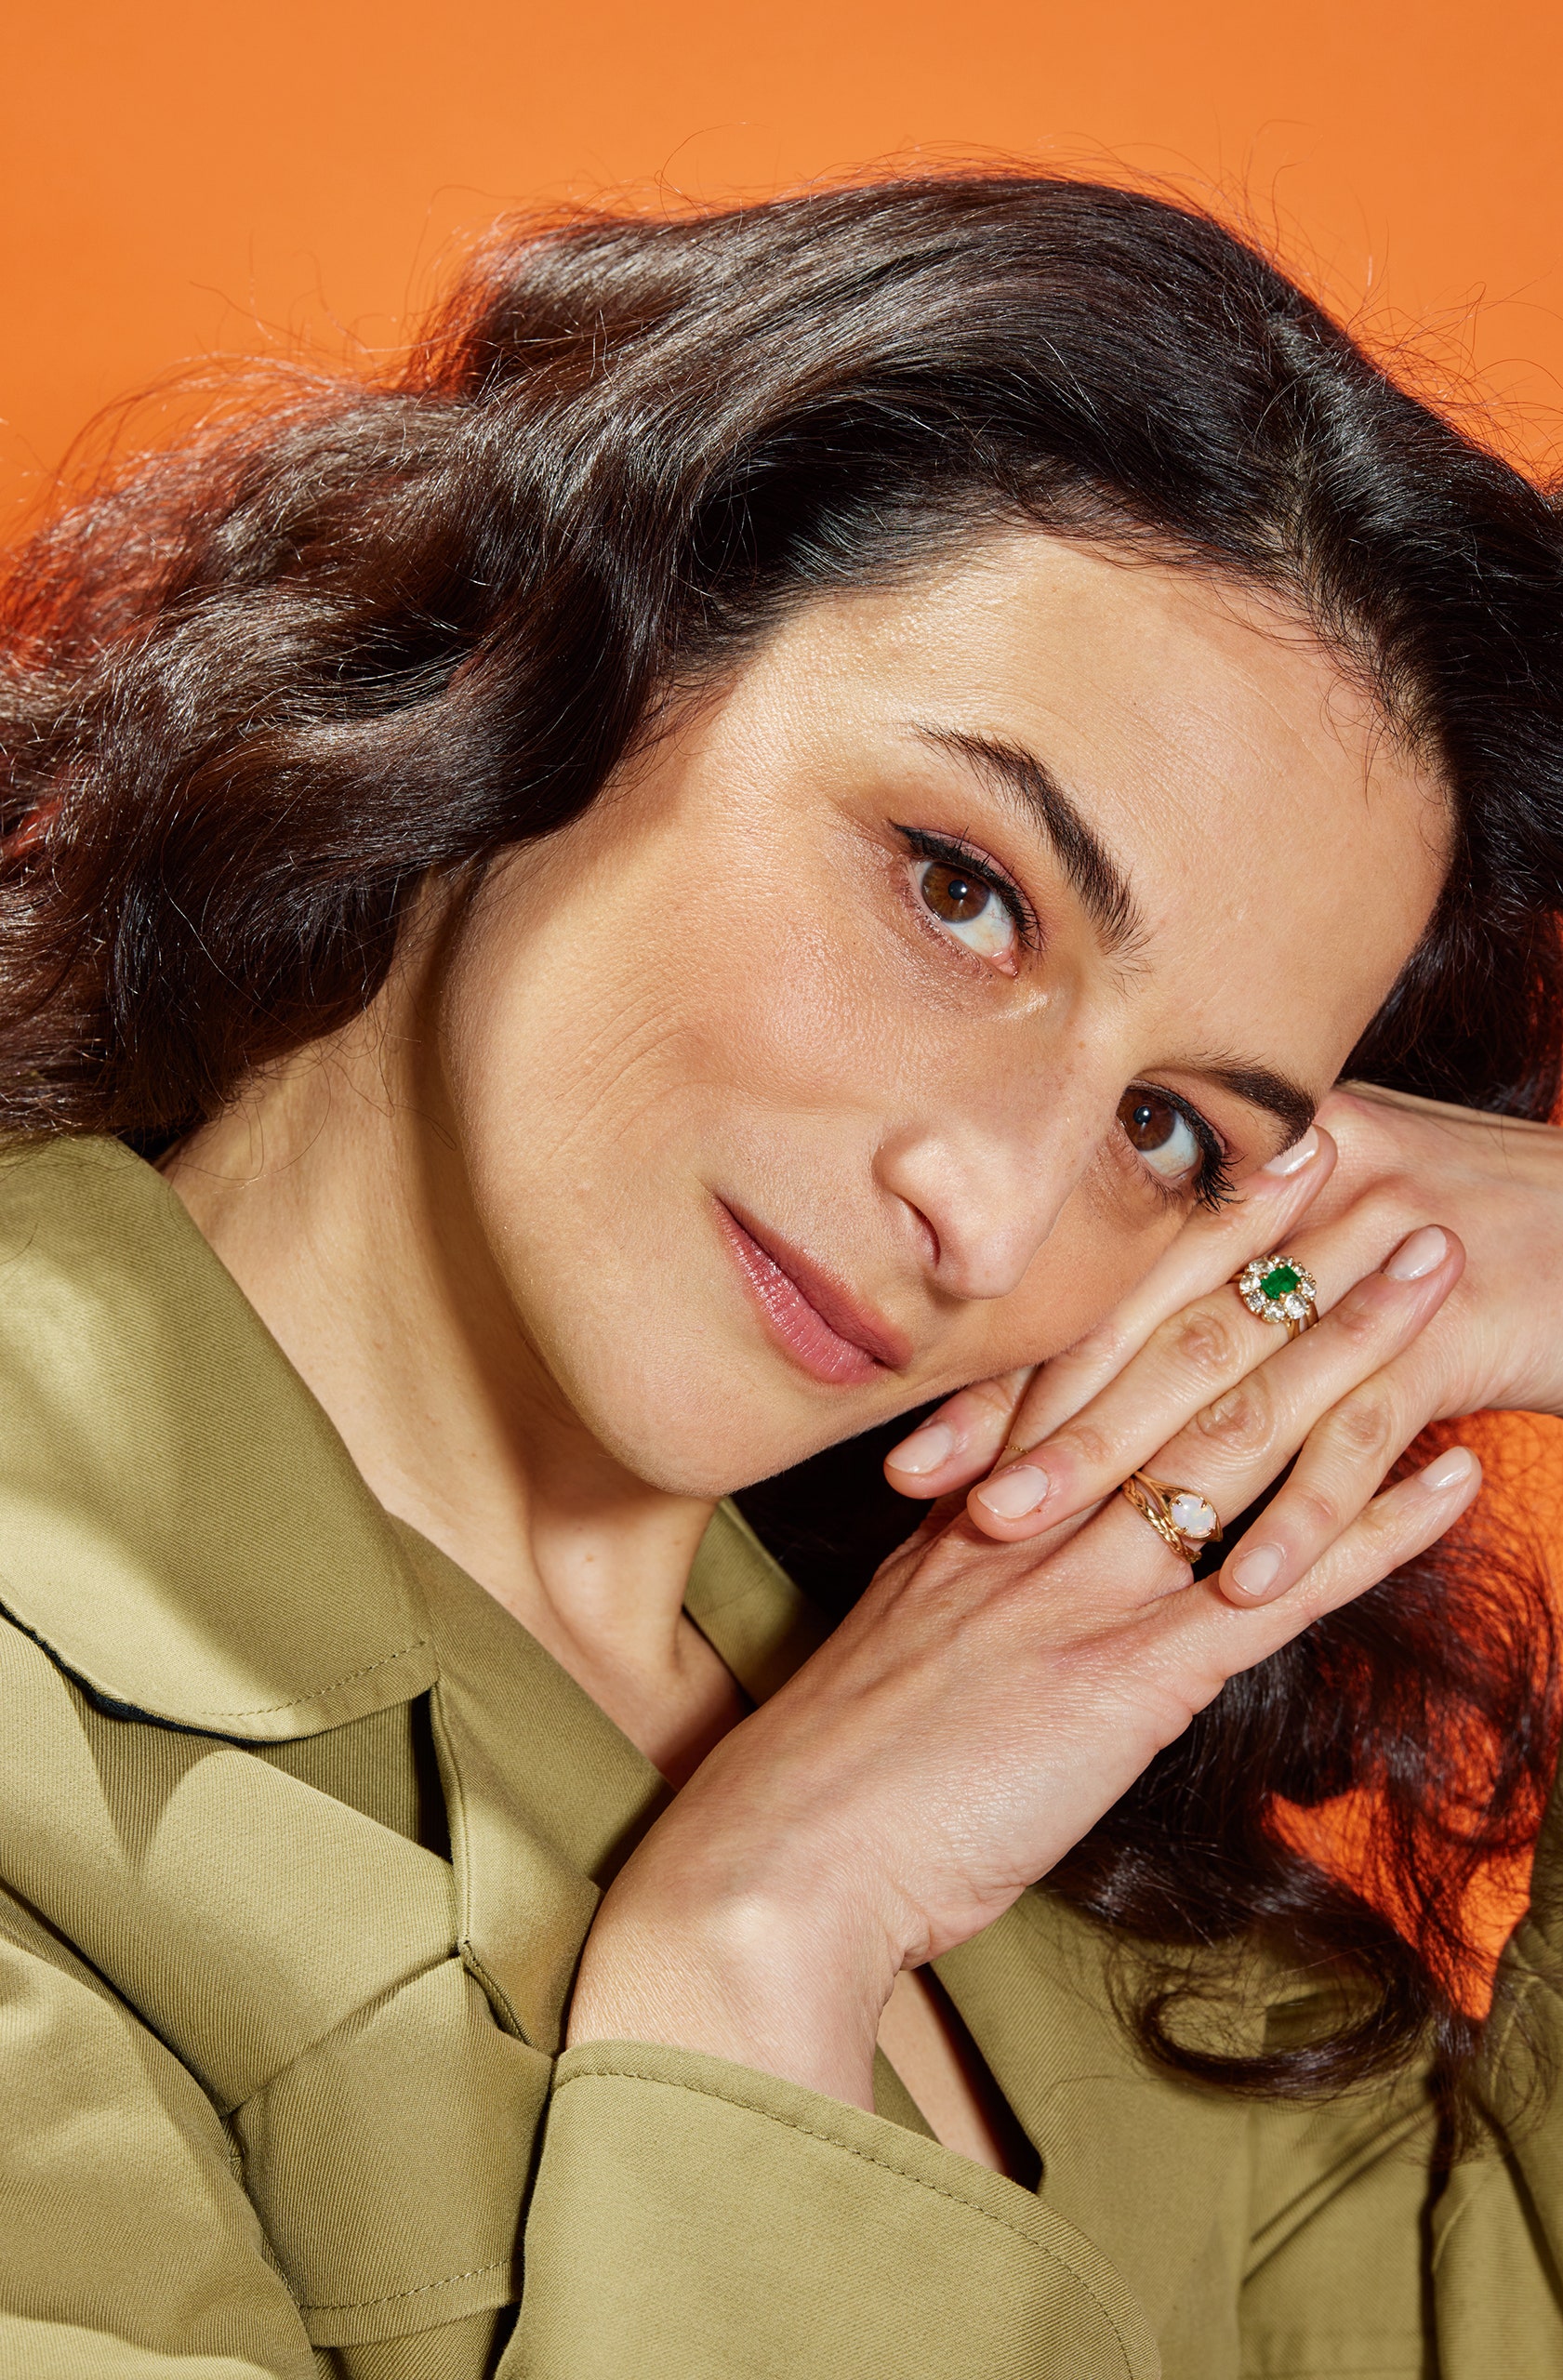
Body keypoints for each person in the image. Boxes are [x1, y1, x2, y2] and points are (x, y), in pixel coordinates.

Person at [3, 173, 1563, 2379]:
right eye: (959, 886)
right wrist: (761, 1949)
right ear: (568, 647)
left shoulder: (1047, 1767)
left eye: (1170, 1131)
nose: (999, 1218)